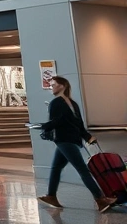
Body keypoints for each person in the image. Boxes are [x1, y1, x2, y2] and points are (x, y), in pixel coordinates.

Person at [37, 76, 117, 212]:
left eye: (53, 85)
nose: (51, 87)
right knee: (58, 168)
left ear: (62, 86)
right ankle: (51, 196)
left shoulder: (57, 103)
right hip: (69, 140)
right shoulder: (72, 103)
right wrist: (87, 137)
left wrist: (40, 126)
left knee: (80, 169)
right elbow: (77, 124)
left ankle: (100, 199)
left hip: (65, 140)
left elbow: (57, 122)